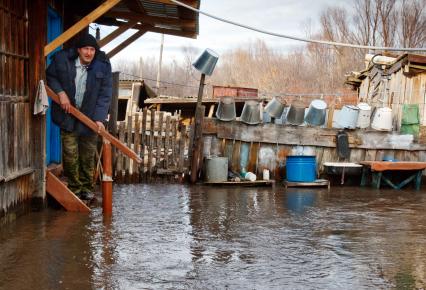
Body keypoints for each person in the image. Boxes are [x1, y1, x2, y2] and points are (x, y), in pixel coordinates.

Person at [46, 33, 112, 200]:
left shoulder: (102, 66)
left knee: (88, 155)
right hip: (68, 116)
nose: (89, 53)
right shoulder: (62, 61)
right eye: (86, 49)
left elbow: (105, 94)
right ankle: (75, 189)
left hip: (89, 118)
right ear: (78, 50)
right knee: (69, 154)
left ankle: (86, 189)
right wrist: (60, 93)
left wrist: (99, 118)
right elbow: (50, 76)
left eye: (92, 49)